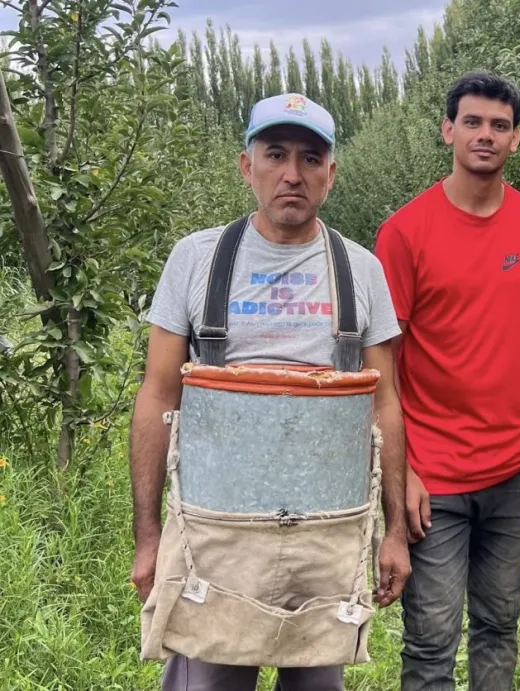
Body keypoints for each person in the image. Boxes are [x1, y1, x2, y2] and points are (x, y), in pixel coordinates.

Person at [128, 93, 411, 691]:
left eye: (311, 158)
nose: (292, 174)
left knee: (316, 682)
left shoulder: (360, 270)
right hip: (216, 535)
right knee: (206, 678)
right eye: (276, 154)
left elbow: (384, 403)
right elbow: (157, 397)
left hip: (324, 536)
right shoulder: (197, 259)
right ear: (247, 165)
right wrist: (149, 538)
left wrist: (394, 533)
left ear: (331, 173)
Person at [373, 71, 520, 690]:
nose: (485, 135)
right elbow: (379, 363)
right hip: (432, 478)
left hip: (515, 468)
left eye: (500, 125)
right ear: (448, 130)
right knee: (432, 642)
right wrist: (402, 470)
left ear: (516, 139)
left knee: (499, 626)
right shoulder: (405, 233)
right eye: (472, 122)